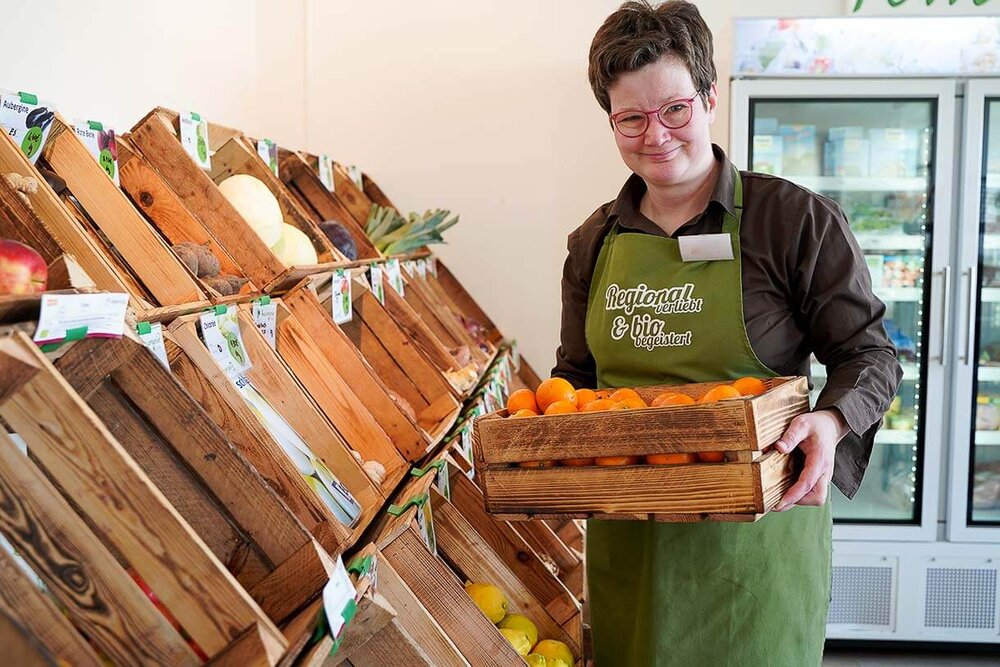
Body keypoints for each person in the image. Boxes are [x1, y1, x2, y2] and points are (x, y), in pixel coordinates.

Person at [551, 2, 903, 664]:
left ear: (711, 98)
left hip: (754, 558)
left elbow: (870, 354)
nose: (656, 135)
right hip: (633, 549)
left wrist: (829, 422)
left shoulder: (793, 221)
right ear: (612, 121)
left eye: (675, 109)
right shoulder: (592, 243)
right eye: (632, 117)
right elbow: (576, 377)